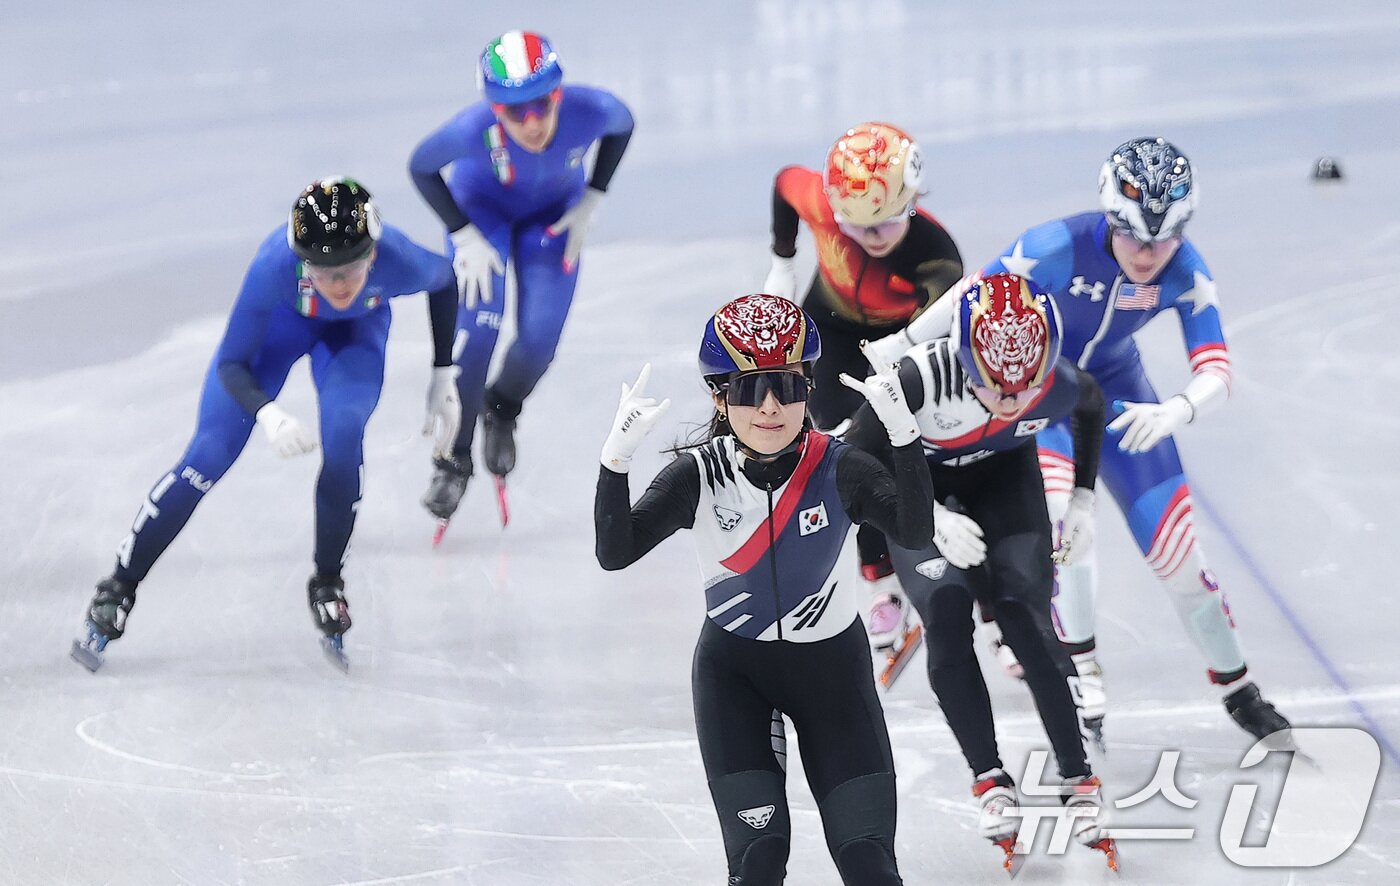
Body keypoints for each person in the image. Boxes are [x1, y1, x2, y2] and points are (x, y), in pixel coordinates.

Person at [865, 137, 1291, 744]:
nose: (1149, 254)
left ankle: (1238, 688)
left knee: (1181, 561)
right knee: (1065, 529)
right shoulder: (1053, 248)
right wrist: (903, 346)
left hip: (1125, 405)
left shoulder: (1187, 270)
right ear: (1111, 219)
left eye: (1165, 239)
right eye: (1135, 237)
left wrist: (1176, 409)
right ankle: (1082, 667)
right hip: (1046, 398)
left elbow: (1218, 369)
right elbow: (972, 298)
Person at [594, 294, 932, 885]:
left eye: (788, 386)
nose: (771, 407)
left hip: (834, 681)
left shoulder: (841, 467)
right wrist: (615, 461)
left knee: (869, 865)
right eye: (751, 390)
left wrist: (904, 436)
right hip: (735, 681)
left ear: (808, 387)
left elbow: (913, 529)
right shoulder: (699, 475)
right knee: (758, 864)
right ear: (720, 398)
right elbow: (615, 553)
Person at [70, 177, 461, 671]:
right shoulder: (275, 266)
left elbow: (447, 281)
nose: (338, 286)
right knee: (207, 456)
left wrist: (443, 373)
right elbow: (233, 364)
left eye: (351, 270)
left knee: (344, 436)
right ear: (303, 262)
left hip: (355, 338)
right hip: (279, 330)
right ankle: (119, 586)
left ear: (374, 254)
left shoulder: (398, 257)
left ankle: (327, 580)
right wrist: (267, 413)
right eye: (322, 272)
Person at [844, 273, 1116, 871]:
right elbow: (852, 460)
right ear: (964, 361)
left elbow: (1092, 406)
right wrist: (928, 516)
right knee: (944, 613)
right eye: (997, 387)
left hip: (1005, 483)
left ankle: (1078, 775)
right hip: (919, 488)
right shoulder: (917, 378)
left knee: (1028, 620)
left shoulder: (1052, 382)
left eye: (1027, 386)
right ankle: (988, 778)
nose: (1015, 399)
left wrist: (1083, 500)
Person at [760, 121, 964, 675]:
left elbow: (942, 338)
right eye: (859, 226)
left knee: (893, 446)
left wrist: (897, 361)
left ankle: (973, 590)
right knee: (840, 450)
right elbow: (784, 182)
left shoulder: (936, 255)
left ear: (914, 200)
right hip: (831, 329)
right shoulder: (822, 206)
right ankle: (879, 582)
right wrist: (783, 260)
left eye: (888, 223)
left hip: (903, 340)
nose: (873, 238)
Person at [410, 30, 634, 529]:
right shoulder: (469, 131)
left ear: (558, 94)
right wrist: (461, 232)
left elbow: (626, 125)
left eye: (540, 105)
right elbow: (421, 167)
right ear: (494, 108)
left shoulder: (593, 110)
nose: (532, 122)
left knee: (539, 341)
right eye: (515, 112)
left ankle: (503, 406)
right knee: (476, 337)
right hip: (481, 217)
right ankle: (454, 459)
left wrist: (595, 195)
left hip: (554, 219)